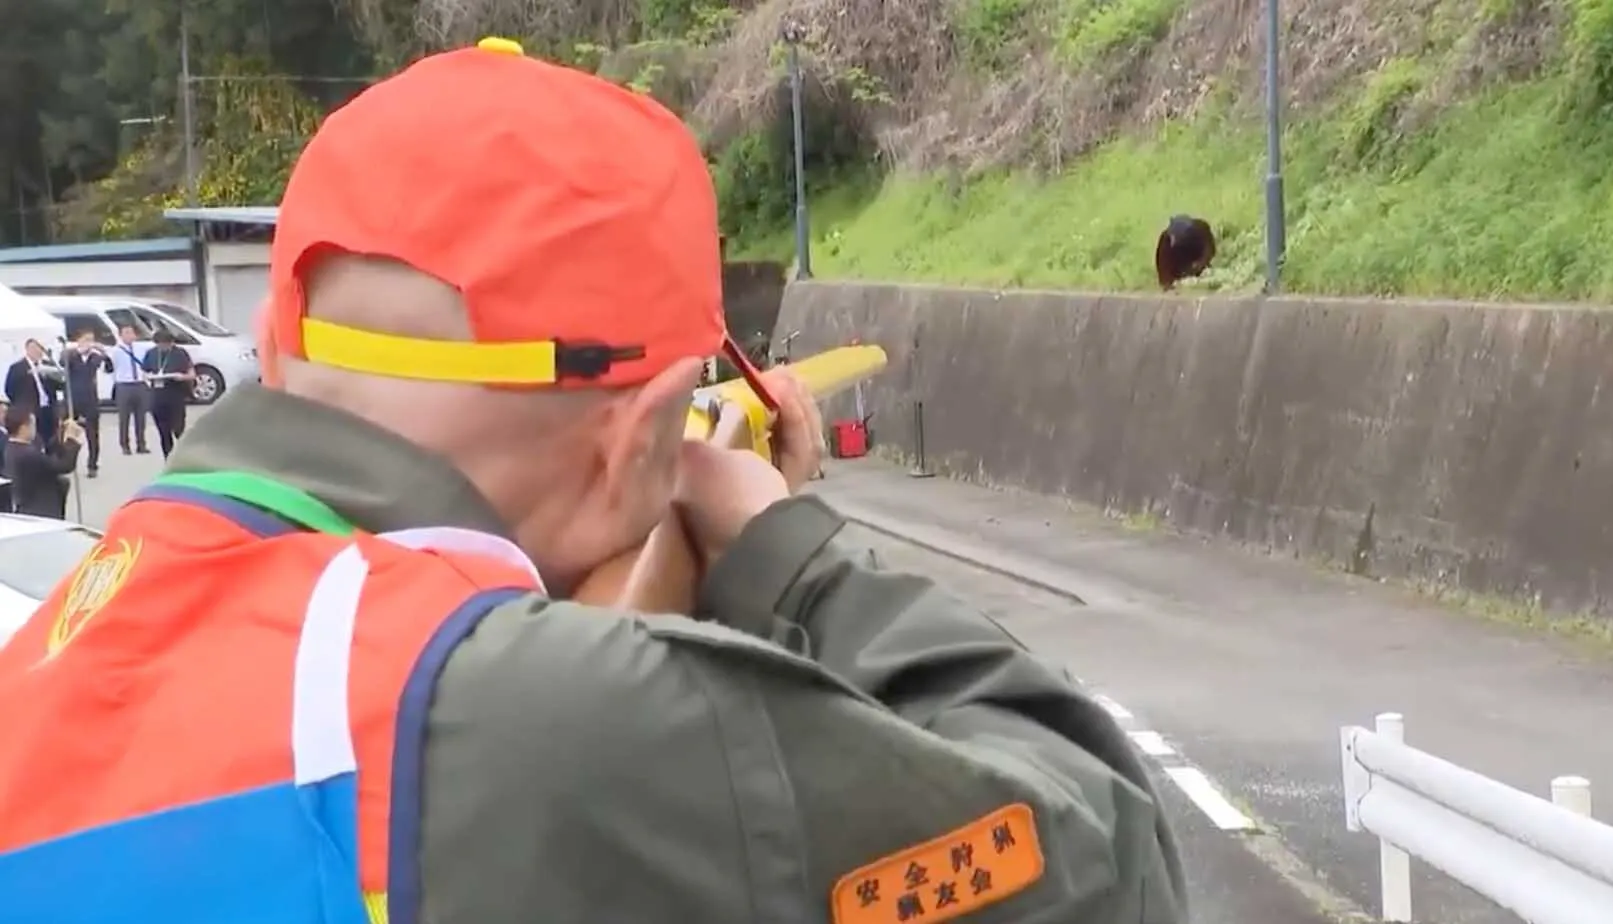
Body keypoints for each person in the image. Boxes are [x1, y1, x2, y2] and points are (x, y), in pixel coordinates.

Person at [0, 39, 1185, 924]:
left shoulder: (50, 649)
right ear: (646, 434)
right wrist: (792, 559)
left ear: (278, 342)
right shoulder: (556, 718)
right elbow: (1110, 860)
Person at [0, 405, 82, 518]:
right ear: (24, 427)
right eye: (33, 425)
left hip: (29, 505)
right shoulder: (27, 454)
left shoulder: (13, 447)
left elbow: (47, 453)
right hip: (40, 509)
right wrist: (73, 441)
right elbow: (63, 466)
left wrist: (61, 432)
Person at [61, 330, 112, 478]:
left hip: (90, 399)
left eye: (91, 340)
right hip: (72, 399)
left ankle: (92, 465)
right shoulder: (70, 354)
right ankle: (66, 463)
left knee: (92, 435)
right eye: (85, 340)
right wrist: (78, 350)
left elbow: (109, 369)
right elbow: (63, 364)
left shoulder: (96, 357)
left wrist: (105, 353)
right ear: (78, 340)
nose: (89, 343)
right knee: (68, 432)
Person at [139, 328, 193, 458]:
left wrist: (182, 377)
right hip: (157, 397)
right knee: (164, 432)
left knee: (179, 430)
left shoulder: (180, 353)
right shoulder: (151, 353)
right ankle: (168, 459)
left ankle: (183, 457)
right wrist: (149, 376)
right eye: (160, 344)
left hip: (175, 396)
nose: (163, 347)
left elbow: (192, 374)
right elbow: (144, 372)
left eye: (166, 344)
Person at [3, 339, 63, 449]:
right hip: (30, 409)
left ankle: (50, 460)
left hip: (48, 409)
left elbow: (60, 385)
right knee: (35, 440)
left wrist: (53, 375)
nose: (37, 352)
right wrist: (20, 404)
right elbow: (9, 389)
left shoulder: (47, 366)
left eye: (39, 349)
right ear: (27, 350)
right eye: (33, 349)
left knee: (51, 439)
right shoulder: (17, 368)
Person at [108, 324, 152, 456]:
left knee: (141, 417)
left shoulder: (142, 349)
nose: (129, 335)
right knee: (124, 418)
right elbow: (109, 367)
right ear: (120, 335)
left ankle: (141, 444)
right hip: (123, 385)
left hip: (139, 383)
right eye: (126, 333)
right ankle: (125, 445)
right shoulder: (115, 351)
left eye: (131, 333)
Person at [1154, 214, 1217, 291]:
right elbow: (1163, 268)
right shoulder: (1166, 241)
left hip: (1198, 263)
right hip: (1178, 268)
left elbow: (1209, 249)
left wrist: (1200, 264)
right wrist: (1169, 284)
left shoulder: (1201, 230)